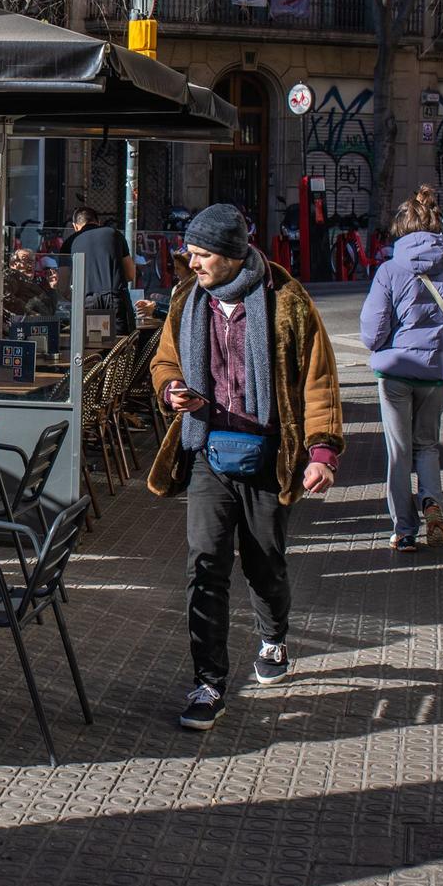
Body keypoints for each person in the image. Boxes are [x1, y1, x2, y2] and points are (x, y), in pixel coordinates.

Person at [147, 203, 344, 732]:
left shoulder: (287, 302)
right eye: (190, 253)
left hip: (268, 455)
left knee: (264, 563)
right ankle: (209, 683)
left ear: (233, 256)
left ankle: (274, 638)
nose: (192, 264)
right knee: (205, 562)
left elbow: (318, 380)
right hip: (209, 451)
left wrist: (321, 452)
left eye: (202, 254)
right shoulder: (187, 302)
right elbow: (164, 359)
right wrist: (172, 390)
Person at [359, 186, 443, 552]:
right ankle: (433, 504)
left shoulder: (390, 271)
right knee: (427, 444)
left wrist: (388, 343)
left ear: (401, 229)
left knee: (399, 451)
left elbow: (371, 332)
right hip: (438, 372)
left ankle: (405, 530)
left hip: (397, 373)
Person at [61, 207, 138, 331]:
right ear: (98, 222)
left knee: (93, 344)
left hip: (87, 301)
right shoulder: (114, 234)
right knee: (123, 345)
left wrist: (77, 298)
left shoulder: (70, 242)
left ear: (75, 226)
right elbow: (130, 274)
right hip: (116, 298)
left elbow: (63, 285)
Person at [3, 248, 58, 320]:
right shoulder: (13, 277)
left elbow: (51, 311)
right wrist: (31, 313)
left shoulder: (39, 281)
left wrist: (52, 288)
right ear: (13, 264)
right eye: (25, 260)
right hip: (23, 324)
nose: (30, 265)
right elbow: (8, 299)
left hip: (43, 323)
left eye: (32, 262)